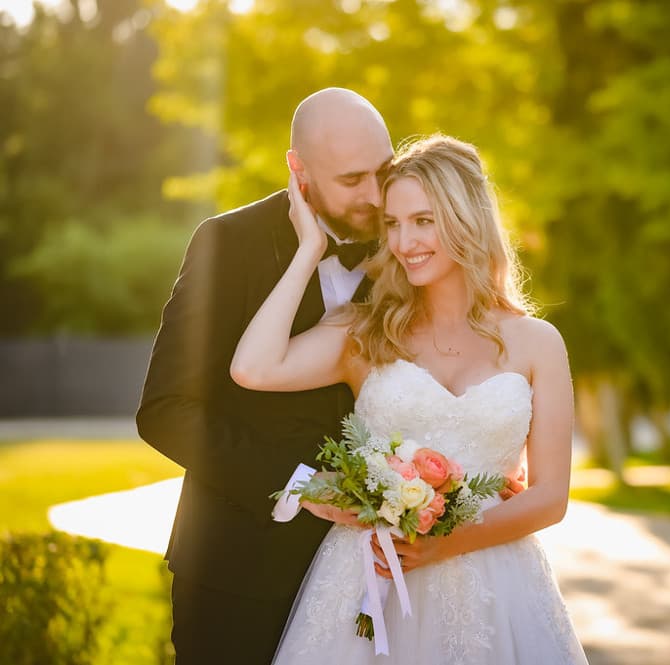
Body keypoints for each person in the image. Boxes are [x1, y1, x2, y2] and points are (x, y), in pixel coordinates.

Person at [230, 135, 588, 664]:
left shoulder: (538, 342)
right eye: (393, 224)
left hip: (498, 587)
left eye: (423, 221)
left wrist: (446, 543)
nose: (404, 242)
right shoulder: (367, 333)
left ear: (466, 219)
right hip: (371, 577)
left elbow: (551, 496)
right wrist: (309, 249)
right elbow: (252, 368)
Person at [136, 88, 394, 664]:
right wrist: (301, 485)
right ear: (299, 170)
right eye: (353, 180)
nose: (376, 196)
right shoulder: (227, 244)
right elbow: (165, 409)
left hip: (375, 580)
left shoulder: (414, 245)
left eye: (385, 170)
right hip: (237, 572)